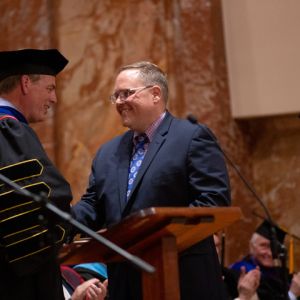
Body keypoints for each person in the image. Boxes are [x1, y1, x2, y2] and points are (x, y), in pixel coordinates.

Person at [71, 61, 231, 299]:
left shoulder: (191, 137)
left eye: (126, 93)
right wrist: (58, 220)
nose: (119, 102)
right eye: (115, 96)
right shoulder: (107, 152)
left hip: (183, 278)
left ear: (155, 94)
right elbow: (93, 206)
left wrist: (157, 237)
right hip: (125, 284)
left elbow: (213, 200)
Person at [0, 49, 72, 300]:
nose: (54, 99)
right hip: (19, 280)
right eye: (50, 88)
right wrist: (67, 227)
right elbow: (49, 198)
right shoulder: (9, 129)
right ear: (25, 83)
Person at [230, 220, 300, 300]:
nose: (270, 253)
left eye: (274, 247)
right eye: (263, 246)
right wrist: (292, 294)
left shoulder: (284, 274)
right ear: (251, 246)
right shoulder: (241, 273)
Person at [214, 233, 261, 300]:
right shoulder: (197, 280)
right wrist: (243, 296)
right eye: (211, 247)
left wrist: (250, 292)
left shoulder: (230, 276)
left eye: (217, 246)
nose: (217, 251)